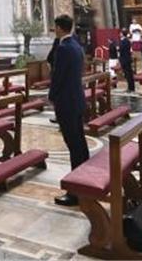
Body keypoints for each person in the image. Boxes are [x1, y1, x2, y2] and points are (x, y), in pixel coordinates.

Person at [49, 14, 90, 205]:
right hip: (77, 100)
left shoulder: (64, 48)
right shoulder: (76, 46)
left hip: (66, 102)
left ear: (59, 28)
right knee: (80, 144)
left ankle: (75, 192)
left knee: (73, 145)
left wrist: (52, 96)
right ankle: (84, 181)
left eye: (55, 27)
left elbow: (58, 76)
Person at [118, 28, 135, 92]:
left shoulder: (125, 41)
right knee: (127, 74)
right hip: (125, 59)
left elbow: (122, 49)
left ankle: (131, 88)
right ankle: (130, 87)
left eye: (120, 33)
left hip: (125, 59)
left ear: (122, 34)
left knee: (128, 74)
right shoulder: (125, 40)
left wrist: (118, 49)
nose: (120, 34)